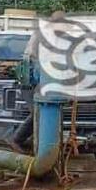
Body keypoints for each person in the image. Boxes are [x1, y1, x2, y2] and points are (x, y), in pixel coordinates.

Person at [11, 10, 65, 153]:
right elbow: (37, 56)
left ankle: (39, 146)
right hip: (30, 80)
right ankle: (17, 140)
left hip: (41, 80)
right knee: (39, 112)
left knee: (47, 112)